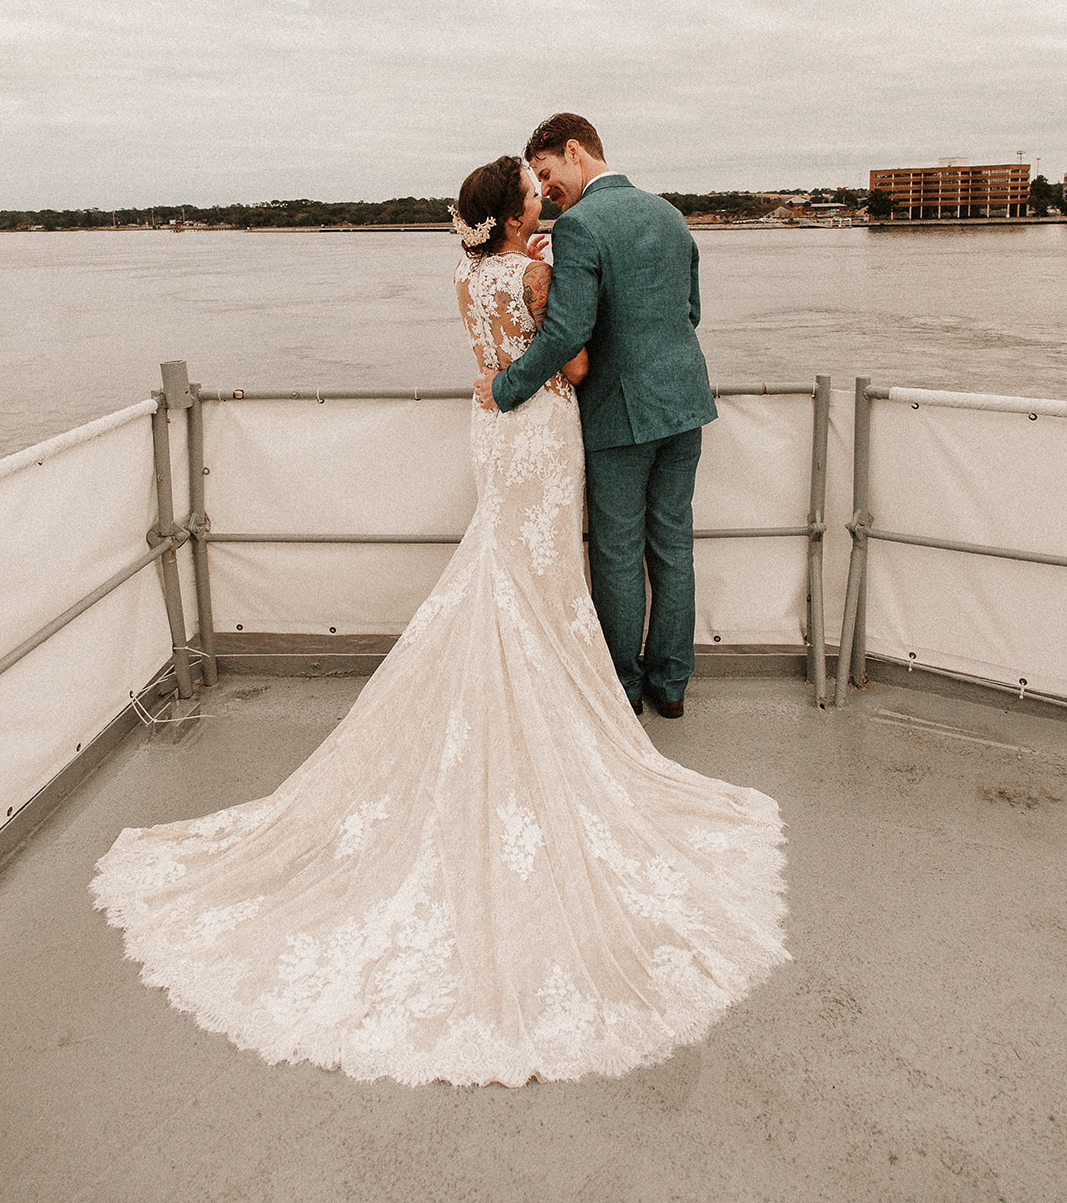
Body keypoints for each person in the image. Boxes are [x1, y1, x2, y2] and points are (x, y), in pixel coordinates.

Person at [92, 154, 786, 1089]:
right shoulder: (616, 233)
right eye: (533, 192)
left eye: (547, 180)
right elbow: (582, 353)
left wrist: (504, 364)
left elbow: (503, 344)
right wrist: (545, 344)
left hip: (496, 435)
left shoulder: (468, 272)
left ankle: (602, 685)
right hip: (573, 418)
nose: (546, 196)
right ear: (514, 216)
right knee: (631, 554)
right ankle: (649, 686)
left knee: (529, 562)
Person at [475, 114, 715, 720]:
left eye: (548, 172)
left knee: (615, 551)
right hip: (685, 404)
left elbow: (565, 331)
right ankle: (672, 685)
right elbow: (688, 311)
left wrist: (505, 388)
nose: (546, 189)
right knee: (672, 545)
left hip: (620, 413)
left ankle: (624, 689)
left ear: (576, 151)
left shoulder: (580, 225)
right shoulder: (669, 214)